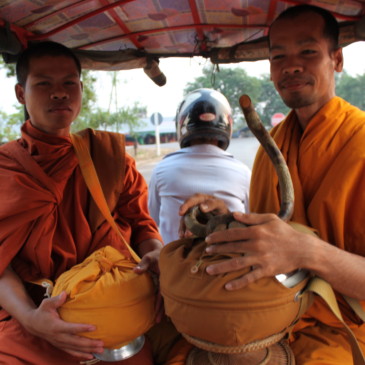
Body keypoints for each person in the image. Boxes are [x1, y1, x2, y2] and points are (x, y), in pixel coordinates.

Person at [174, 4, 365, 364]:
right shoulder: (270, 146)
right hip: (271, 311)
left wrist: (308, 252)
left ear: (336, 59)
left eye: (308, 52)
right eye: (278, 56)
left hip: (346, 327)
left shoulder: (360, 142)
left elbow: (293, 246)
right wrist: (224, 218)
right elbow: (273, 233)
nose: (291, 66)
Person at [0, 41, 164, 365]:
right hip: (33, 318)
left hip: (118, 315)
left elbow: (143, 225)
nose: (59, 93)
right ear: (21, 93)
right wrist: (32, 319)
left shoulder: (110, 159)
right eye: (44, 83)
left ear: (81, 88)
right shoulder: (6, 169)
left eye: (69, 83)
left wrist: (158, 259)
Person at [148, 88, 251, 244]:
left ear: (182, 124)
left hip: (175, 265)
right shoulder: (242, 172)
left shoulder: (161, 170)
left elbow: (152, 219)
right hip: (228, 263)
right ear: (227, 125)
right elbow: (251, 218)